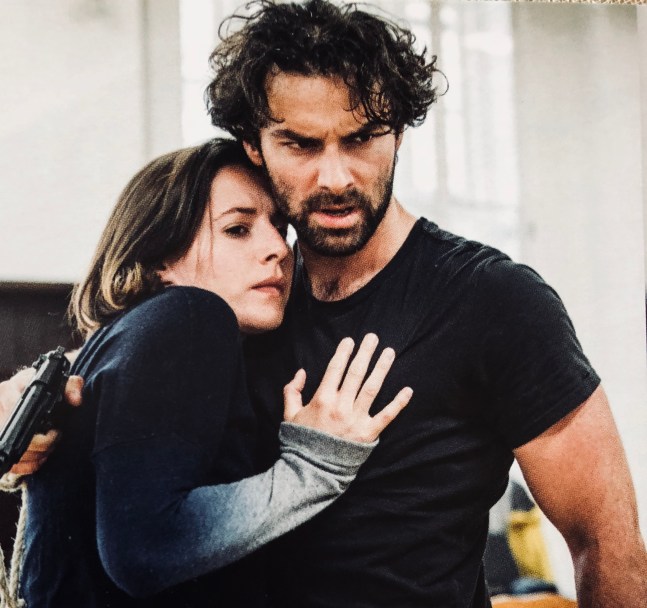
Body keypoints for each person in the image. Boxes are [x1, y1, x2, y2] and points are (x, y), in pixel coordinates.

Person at [1, 0, 646, 606]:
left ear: (399, 132)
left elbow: (605, 543)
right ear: (254, 145)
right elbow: (117, 400)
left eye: (362, 138)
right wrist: (33, 413)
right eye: (301, 145)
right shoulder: (244, 305)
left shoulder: (495, 301)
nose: (335, 177)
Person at [13, 137, 411, 607]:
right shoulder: (192, 314)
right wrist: (313, 468)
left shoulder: (128, 338)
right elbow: (145, 547)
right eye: (238, 229)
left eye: (279, 227)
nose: (278, 249)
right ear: (162, 256)